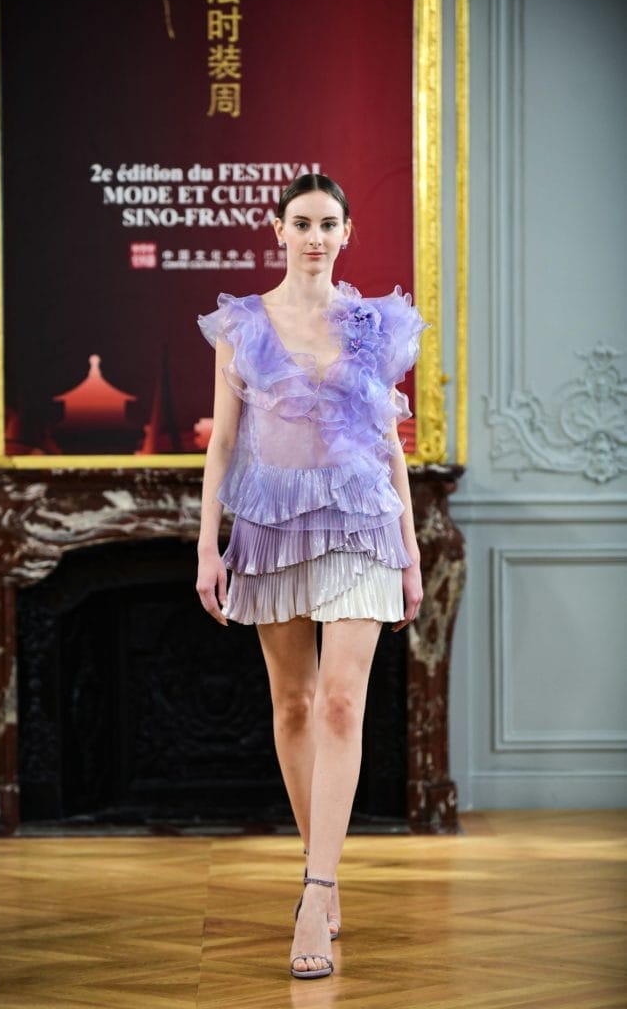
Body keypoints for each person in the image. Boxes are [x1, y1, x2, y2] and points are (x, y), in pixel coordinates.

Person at [196, 173, 425, 980]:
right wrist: (207, 546)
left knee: (338, 701)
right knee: (292, 703)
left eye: (329, 224)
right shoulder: (241, 325)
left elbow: (389, 442)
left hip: (361, 523)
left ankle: (315, 892)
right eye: (302, 223)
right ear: (277, 229)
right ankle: (316, 868)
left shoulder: (372, 325)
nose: (315, 237)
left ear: (347, 232)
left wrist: (411, 550)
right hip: (270, 526)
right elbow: (224, 444)